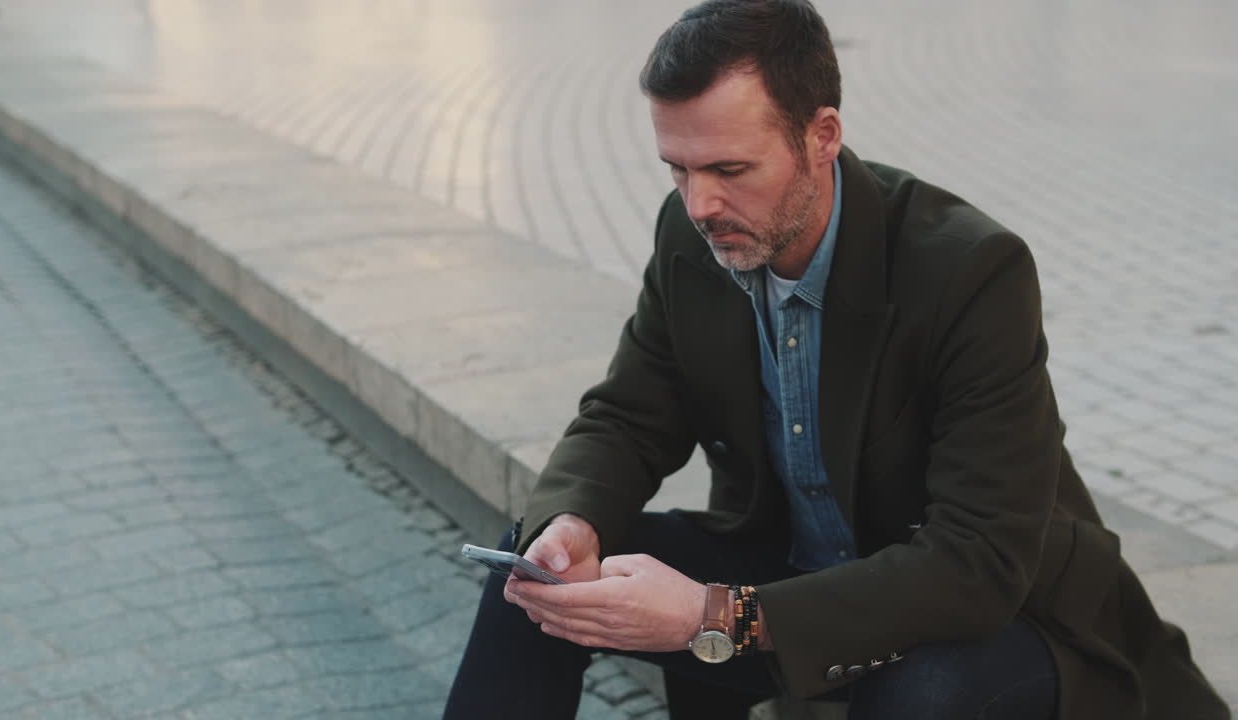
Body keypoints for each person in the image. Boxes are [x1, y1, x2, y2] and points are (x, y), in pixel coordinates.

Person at [442, 1, 1229, 718]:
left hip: (990, 616)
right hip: (791, 576)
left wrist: (716, 614)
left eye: (729, 169)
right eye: (678, 169)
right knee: (534, 583)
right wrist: (570, 523)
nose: (699, 204)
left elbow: (978, 565)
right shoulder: (692, 238)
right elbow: (627, 415)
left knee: (919, 689)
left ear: (821, 137)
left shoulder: (969, 271)